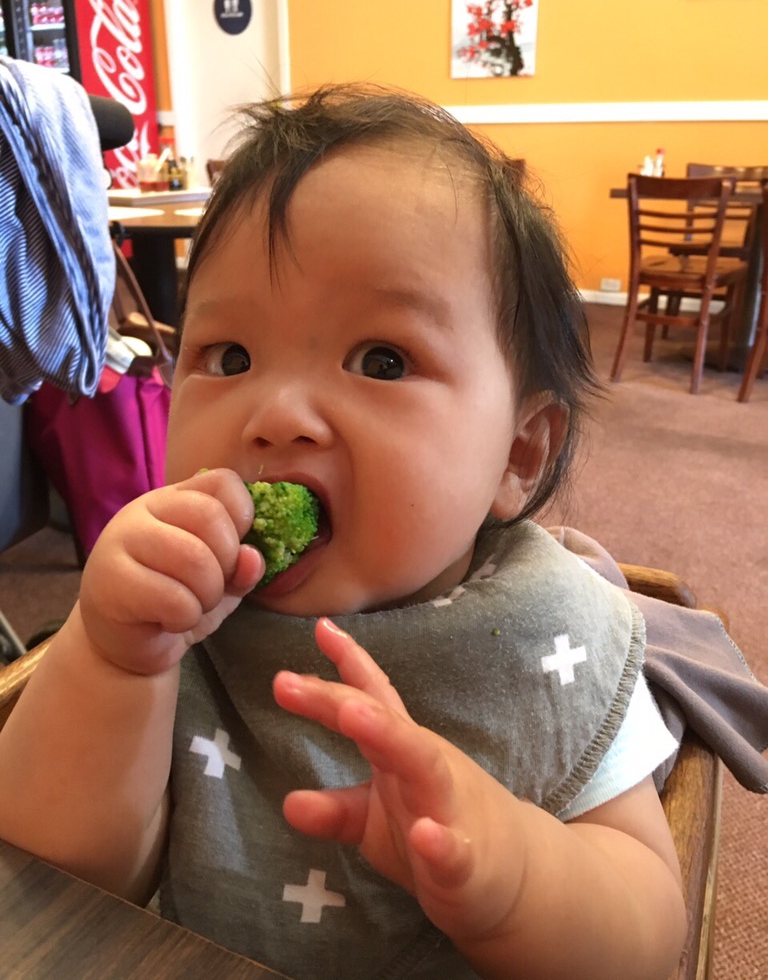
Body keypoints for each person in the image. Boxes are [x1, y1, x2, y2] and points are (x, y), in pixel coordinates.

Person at [0, 83, 749, 980]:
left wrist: (512, 875)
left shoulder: (555, 635)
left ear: (515, 456)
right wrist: (115, 658)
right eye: (228, 357)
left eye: (382, 360)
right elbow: (63, 875)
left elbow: (645, 938)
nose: (277, 415)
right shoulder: (181, 616)